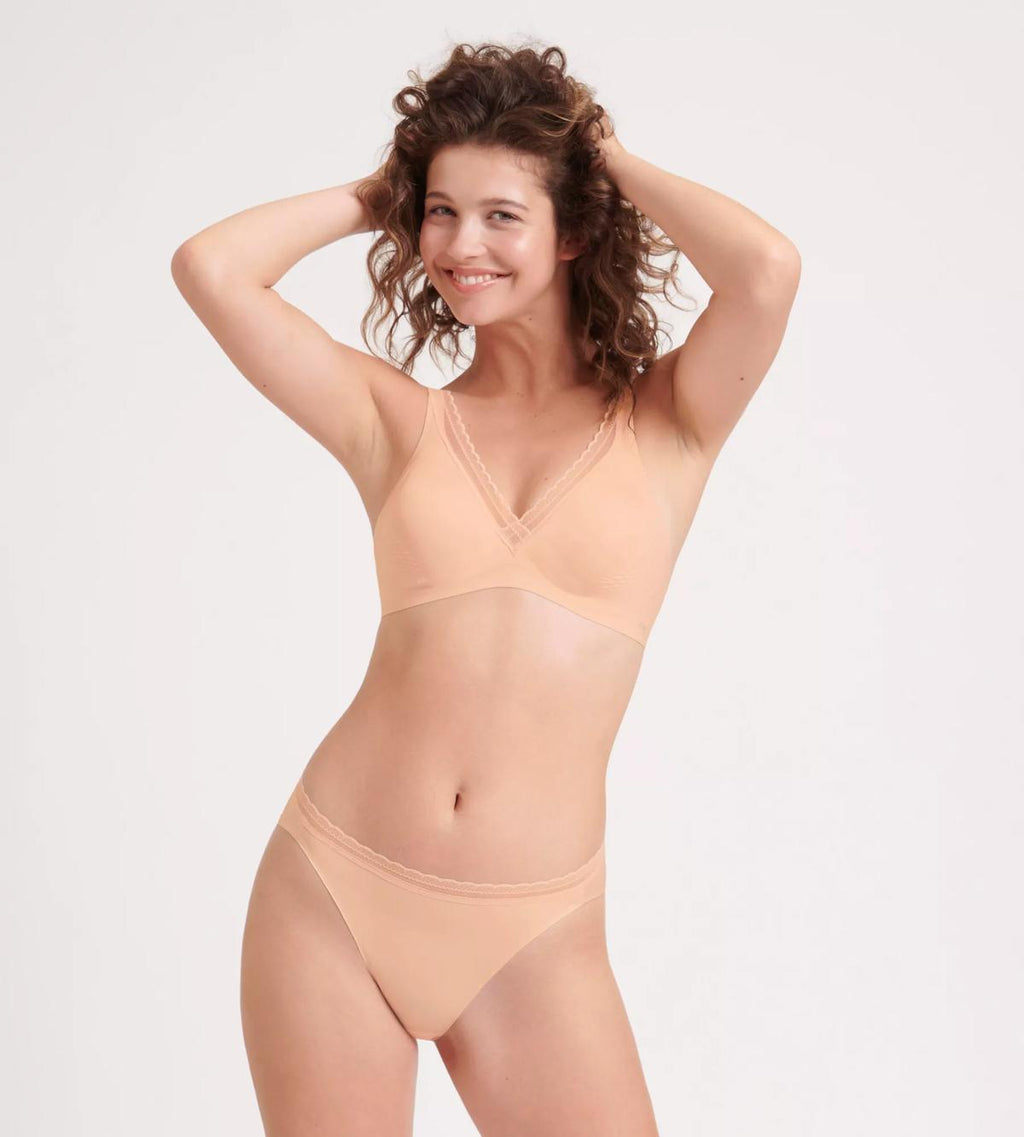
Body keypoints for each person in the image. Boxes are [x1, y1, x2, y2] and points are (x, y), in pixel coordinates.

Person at [171, 38, 800, 1137]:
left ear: (574, 230)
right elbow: (210, 267)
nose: (463, 246)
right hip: (333, 892)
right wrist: (381, 192)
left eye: (503, 215)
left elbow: (767, 270)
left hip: (532, 933)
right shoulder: (396, 422)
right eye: (442, 214)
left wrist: (599, 155)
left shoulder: (671, 423)